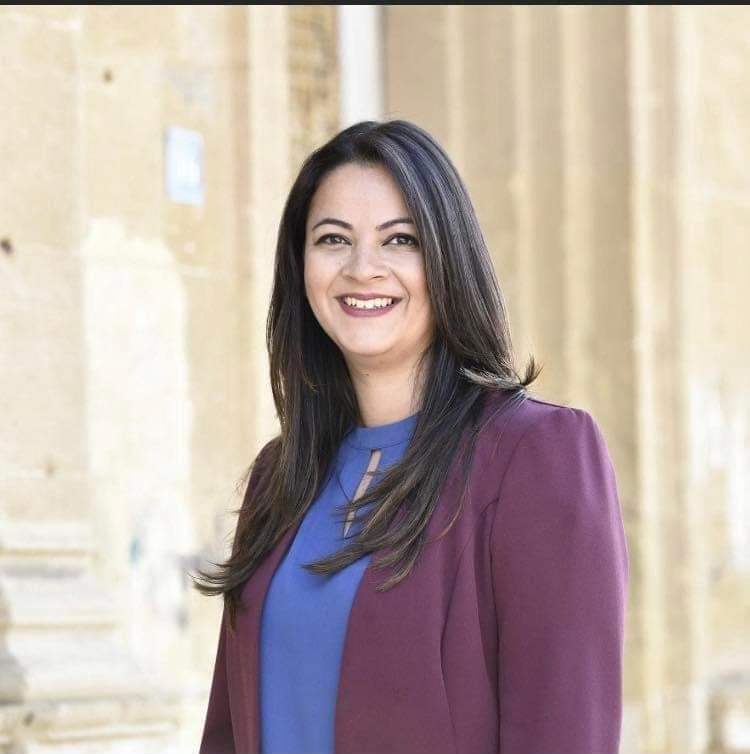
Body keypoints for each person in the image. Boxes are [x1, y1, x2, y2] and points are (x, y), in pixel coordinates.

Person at [191, 119, 630, 754]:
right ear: (301, 265)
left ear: (448, 259)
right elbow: (228, 732)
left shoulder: (536, 455)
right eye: (333, 239)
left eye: (400, 240)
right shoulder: (279, 476)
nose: (362, 268)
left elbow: (564, 731)